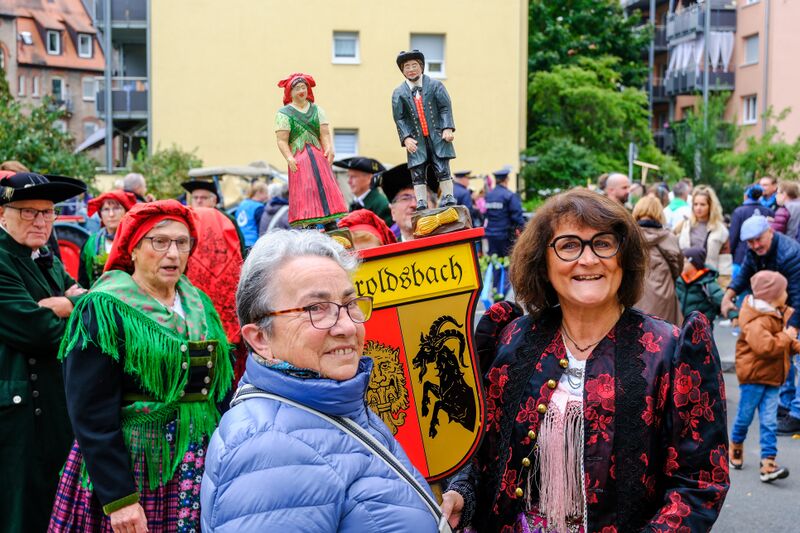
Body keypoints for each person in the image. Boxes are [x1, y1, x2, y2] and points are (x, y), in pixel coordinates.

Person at [441, 189, 728, 532]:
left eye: (603, 243)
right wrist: (461, 493)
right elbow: (479, 449)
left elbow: (699, 482)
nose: (588, 259)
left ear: (625, 257)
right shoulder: (511, 338)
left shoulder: (671, 350)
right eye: (568, 245)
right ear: (543, 261)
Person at [201, 230, 439, 532]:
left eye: (350, 303)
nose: (347, 326)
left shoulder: (333, 402)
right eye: (315, 308)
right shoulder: (270, 448)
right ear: (260, 338)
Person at [49, 200, 233, 532]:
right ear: (132, 248)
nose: (173, 254)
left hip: (195, 462)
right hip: (135, 465)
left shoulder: (198, 302)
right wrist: (119, 497)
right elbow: (90, 412)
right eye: (159, 242)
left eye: (182, 242)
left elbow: (219, 388)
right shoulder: (106, 307)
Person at [0, 172, 87, 533]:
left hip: (53, 408)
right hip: (17, 414)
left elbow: (86, 304)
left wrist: (62, 304)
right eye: (27, 212)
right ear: (2, 214)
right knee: (19, 508)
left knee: (51, 504)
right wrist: (67, 306)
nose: (40, 221)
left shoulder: (45, 256)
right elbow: (38, 331)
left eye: (47, 212)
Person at [720, 214, 800, 436]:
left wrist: (792, 328)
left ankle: (797, 414)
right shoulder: (755, 250)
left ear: (770, 232)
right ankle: (785, 405)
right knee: (784, 356)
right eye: (750, 242)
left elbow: (798, 295)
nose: (755, 245)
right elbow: (744, 273)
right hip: (781, 311)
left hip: (794, 307)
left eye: (759, 240)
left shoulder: (790, 253)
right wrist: (729, 294)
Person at [730, 270, 798, 482]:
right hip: (754, 376)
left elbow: (786, 344)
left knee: (769, 421)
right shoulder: (755, 319)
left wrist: (795, 344)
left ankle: (768, 462)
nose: (786, 293)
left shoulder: (779, 312)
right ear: (771, 295)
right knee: (745, 417)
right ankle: (735, 446)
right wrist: (787, 338)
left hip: (773, 377)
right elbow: (765, 347)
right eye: (783, 290)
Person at [275, 73, 348, 228]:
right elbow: (281, 140)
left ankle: (330, 223)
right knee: (306, 189)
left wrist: (329, 147)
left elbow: (325, 134)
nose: (301, 91)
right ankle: (309, 225)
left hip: (317, 154)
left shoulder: (317, 110)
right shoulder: (284, 114)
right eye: (297, 88)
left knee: (325, 186)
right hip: (299, 157)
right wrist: (289, 157)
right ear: (290, 92)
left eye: (303, 87)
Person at [392, 49, 457, 210]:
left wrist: (447, 127)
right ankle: (421, 201)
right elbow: (399, 118)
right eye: (407, 66)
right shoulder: (399, 93)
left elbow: (445, 107)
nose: (411, 69)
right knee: (418, 172)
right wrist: (406, 138)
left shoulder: (435, 86)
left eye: (414, 65)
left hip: (437, 137)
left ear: (421, 67)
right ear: (402, 70)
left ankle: (448, 196)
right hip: (416, 140)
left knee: (442, 167)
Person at [632, 196, 683, 324]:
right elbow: (678, 269)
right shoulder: (669, 238)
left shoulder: (630, 237)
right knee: (663, 337)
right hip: (664, 297)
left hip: (635, 295)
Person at [78, 190, 138, 288]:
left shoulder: (136, 242)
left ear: (126, 211)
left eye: (116, 208)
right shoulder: (90, 244)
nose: (111, 214)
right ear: (100, 214)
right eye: (106, 209)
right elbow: (83, 281)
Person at [377, 163, 438, 242]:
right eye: (405, 198)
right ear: (393, 212)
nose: (414, 204)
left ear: (435, 208)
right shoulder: (386, 253)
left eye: (422, 198)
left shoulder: (453, 247)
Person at [676, 184, 729, 273]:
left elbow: (725, 261)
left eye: (702, 204)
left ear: (710, 206)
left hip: (709, 277)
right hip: (685, 277)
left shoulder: (720, 229)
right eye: (695, 204)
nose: (698, 208)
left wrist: (723, 283)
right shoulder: (685, 225)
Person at [729, 185, 774, 280]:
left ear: (746, 196)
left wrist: (730, 255)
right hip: (764, 258)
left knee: (740, 288)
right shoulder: (769, 211)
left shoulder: (739, 212)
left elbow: (733, 237)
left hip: (740, 259)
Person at [334, 156, 392, 227]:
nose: (349, 181)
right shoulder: (356, 203)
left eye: (354, 177)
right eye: (349, 176)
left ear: (369, 178)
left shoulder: (381, 205)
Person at [676, 247, 724, 325]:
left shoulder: (707, 283)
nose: (682, 264)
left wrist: (733, 315)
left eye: (685, 262)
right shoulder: (680, 281)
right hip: (680, 326)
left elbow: (722, 299)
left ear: (694, 264)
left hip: (700, 329)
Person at [484, 168, 525, 257]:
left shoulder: (489, 195)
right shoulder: (509, 195)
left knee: (495, 262)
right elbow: (517, 217)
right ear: (506, 179)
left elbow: (486, 214)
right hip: (505, 236)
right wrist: (524, 231)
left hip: (491, 235)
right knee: (508, 263)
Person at [235, 181, 269, 248]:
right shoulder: (259, 207)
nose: (267, 196)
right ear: (259, 192)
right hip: (253, 243)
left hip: (240, 241)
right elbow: (262, 228)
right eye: (266, 193)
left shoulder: (242, 204)